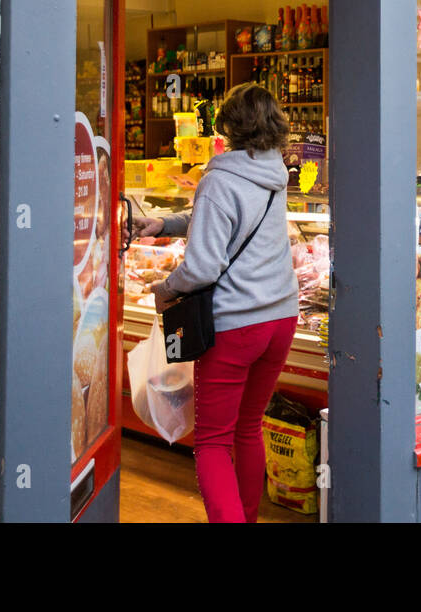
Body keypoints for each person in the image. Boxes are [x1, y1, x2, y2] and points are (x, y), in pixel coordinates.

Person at [135, 82, 298, 523]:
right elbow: (230, 219)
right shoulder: (272, 172)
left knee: (211, 442)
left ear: (229, 126)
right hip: (281, 319)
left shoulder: (219, 179)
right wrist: (166, 222)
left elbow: (203, 269)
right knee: (247, 429)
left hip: (235, 326)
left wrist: (166, 288)